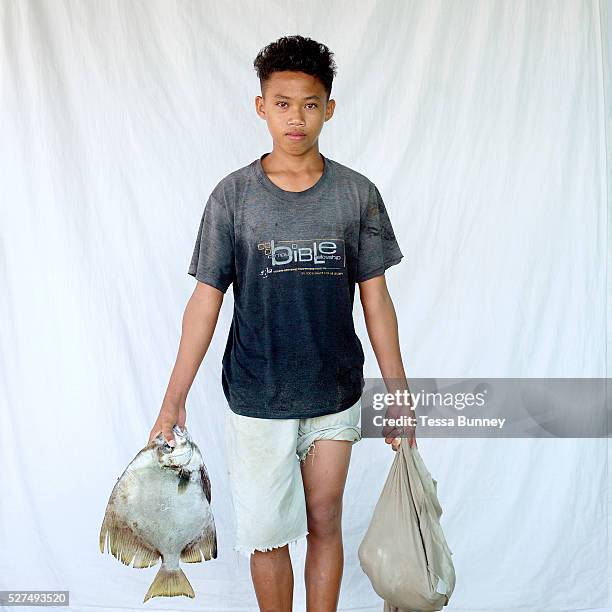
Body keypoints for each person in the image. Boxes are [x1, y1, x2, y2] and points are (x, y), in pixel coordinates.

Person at [148, 34, 417, 612]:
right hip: (256, 390)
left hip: (334, 390)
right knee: (267, 535)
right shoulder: (234, 197)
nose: (297, 117)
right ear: (261, 106)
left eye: (311, 103)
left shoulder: (356, 195)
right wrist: (173, 400)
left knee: (325, 521)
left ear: (330, 108)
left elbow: (377, 301)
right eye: (284, 102)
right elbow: (205, 302)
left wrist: (399, 394)